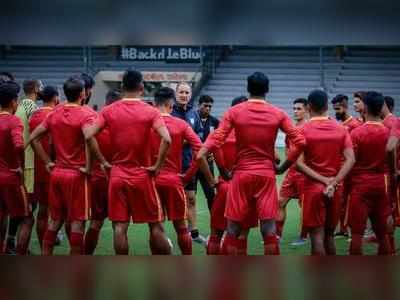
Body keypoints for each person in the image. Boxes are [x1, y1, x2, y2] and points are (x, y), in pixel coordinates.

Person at [197, 72, 306, 255]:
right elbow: (301, 142)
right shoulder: (277, 113)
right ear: (267, 90)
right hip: (266, 175)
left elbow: (217, 139)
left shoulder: (234, 112)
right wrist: (282, 167)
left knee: (233, 228)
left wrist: (214, 161)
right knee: (269, 229)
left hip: (241, 175)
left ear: (248, 89)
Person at [83, 69, 173, 255]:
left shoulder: (108, 111)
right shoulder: (151, 111)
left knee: (120, 227)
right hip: (142, 175)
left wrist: (103, 162)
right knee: (155, 225)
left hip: (117, 175)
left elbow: (89, 135)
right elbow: (167, 139)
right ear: (141, 87)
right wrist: (157, 166)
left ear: (122, 87)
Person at [28, 77, 97, 255]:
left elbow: (33, 137)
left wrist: (47, 162)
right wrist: (89, 167)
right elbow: (89, 138)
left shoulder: (54, 113)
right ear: (83, 93)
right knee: (77, 222)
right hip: (77, 174)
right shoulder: (85, 114)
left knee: (54, 220)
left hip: (57, 173)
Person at [150, 87, 215, 255]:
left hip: (150, 180)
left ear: (155, 103)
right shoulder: (181, 124)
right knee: (181, 227)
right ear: (171, 103)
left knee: (155, 226)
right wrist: (187, 175)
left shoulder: (146, 124)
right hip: (174, 180)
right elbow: (201, 152)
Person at [296, 90, 355, 255]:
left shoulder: (302, 130)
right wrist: (333, 182)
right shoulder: (341, 129)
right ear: (327, 106)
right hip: (335, 188)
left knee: (316, 235)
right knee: (329, 235)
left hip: (313, 188)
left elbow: (298, 164)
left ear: (309, 107)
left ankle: (319, 278)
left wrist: (324, 180)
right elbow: (351, 159)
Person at [206, 95, 258, 255]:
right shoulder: (255, 134)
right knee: (241, 235)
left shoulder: (220, 133)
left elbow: (200, 155)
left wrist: (211, 179)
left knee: (216, 234)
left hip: (224, 187)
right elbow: (275, 158)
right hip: (247, 187)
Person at [348, 91, 391, 255]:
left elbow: (351, 162)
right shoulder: (388, 133)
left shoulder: (356, 133)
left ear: (365, 108)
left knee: (357, 233)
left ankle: (355, 274)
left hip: (361, 186)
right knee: (382, 233)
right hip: (382, 184)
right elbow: (392, 163)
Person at [83, 89, 122, 255]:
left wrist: (89, 167)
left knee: (95, 222)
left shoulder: (94, 123)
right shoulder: (123, 126)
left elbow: (88, 145)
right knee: (119, 225)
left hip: (98, 178)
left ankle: (86, 256)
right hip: (118, 178)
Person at [8, 79, 42, 254]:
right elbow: (38, 133)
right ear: (36, 89)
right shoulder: (30, 107)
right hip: (28, 165)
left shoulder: (21, 105)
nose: (42, 89)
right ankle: (19, 249)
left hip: (23, 163)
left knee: (21, 210)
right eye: (40, 86)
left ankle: (11, 241)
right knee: (28, 213)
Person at [0, 81, 34, 255]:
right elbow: (19, 145)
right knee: (27, 218)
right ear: (14, 101)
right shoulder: (13, 121)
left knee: (3, 215)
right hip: (10, 178)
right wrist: (18, 166)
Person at [171, 82, 206, 244]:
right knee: (176, 200)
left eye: (186, 92)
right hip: (172, 164)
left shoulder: (194, 113)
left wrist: (193, 140)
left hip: (189, 163)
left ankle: (194, 233)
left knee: (191, 198)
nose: (184, 95)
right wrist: (184, 140)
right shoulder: (170, 112)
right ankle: (180, 232)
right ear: (175, 94)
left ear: (190, 95)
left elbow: (199, 133)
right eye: (181, 92)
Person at [28, 86, 60, 249]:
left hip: (36, 169)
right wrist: (50, 160)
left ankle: (43, 248)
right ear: (56, 98)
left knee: (42, 210)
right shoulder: (55, 115)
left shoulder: (34, 115)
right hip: (54, 169)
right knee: (59, 214)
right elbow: (54, 143)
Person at [276, 98, 308, 246]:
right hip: (291, 172)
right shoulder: (292, 129)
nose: (295, 111)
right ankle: (277, 235)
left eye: (299, 109)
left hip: (304, 173)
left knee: (305, 207)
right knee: (280, 202)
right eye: (294, 108)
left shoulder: (308, 128)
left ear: (307, 109)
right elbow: (289, 151)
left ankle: (303, 236)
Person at [331, 94, 362, 238]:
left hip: (350, 169)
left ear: (345, 107)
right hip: (339, 168)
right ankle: (342, 229)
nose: (336, 112)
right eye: (334, 109)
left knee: (350, 200)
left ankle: (353, 231)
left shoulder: (355, 125)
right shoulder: (339, 125)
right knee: (341, 199)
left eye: (338, 109)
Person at [189, 95, 220, 211]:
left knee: (211, 195)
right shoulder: (191, 119)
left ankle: (215, 226)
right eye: (205, 106)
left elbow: (219, 142)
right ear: (199, 105)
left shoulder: (215, 122)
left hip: (207, 163)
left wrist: (213, 153)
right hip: (192, 163)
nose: (208, 108)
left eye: (210, 106)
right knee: (190, 196)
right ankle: (192, 228)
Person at [381, 95, 398, 252]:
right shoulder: (387, 123)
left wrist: (394, 171)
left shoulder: (391, 122)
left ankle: (390, 245)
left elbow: (390, 147)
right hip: (389, 173)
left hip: (392, 174)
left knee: (388, 209)